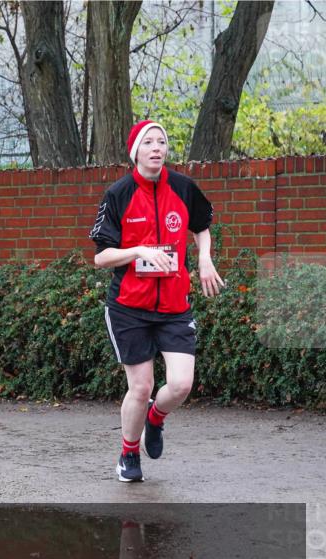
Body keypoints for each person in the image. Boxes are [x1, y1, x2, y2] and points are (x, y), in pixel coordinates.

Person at [89, 120, 225, 483]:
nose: (156, 148)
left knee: (180, 385)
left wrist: (204, 258)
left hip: (174, 306)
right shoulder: (118, 194)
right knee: (142, 386)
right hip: (129, 307)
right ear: (136, 152)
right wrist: (138, 251)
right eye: (148, 142)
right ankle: (128, 453)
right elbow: (101, 257)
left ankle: (155, 419)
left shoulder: (182, 187)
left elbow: (202, 225)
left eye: (161, 141)